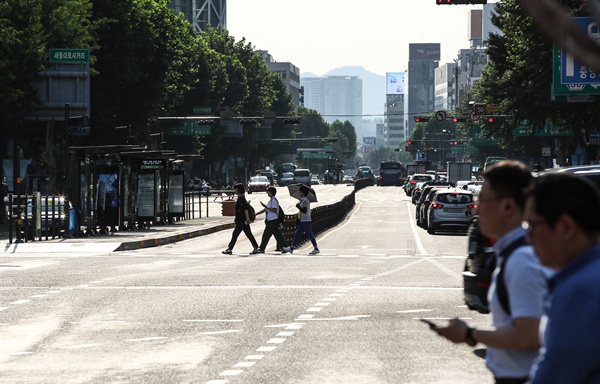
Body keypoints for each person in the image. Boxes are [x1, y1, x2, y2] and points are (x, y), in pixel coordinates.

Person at [432, 160, 551, 384]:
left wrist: (469, 334)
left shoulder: (522, 260)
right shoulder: (513, 252)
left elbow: (528, 336)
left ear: (508, 207)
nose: (476, 207)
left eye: (482, 200)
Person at [524, 173, 600, 384]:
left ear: (566, 227)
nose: (528, 239)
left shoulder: (578, 291)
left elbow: (554, 376)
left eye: (532, 227)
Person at [222, 183, 259, 256]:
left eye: (235, 189)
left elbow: (245, 210)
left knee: (235, 234)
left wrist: (247, 218)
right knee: (248, 234)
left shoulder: (241, 199)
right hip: (241, 220)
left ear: (238, 190)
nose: (234, 190)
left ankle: (230, 249)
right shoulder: (241, 198)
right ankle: (256, 247)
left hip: (242, 220)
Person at [284, 185, 320, 255]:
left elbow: (304, 210)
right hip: (303, 220)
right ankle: (291, 248)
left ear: (303, 193)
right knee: (297, 234)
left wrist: (298, 207)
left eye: (300, 192)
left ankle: (316, 248)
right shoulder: (302, 200)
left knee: (310, 234)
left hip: (306, 220)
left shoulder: (305, 200)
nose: (299, 193)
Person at [256, 186, 289, 253]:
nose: (267, 193)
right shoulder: (271, 200)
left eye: (268, 192)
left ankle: (262, 248)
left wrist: (266, 207)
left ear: (271, 192)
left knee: (266, 235)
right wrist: (257, 214)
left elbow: (274, 210)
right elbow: (266, 209)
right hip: (272, 220)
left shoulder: (274, 201)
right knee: (278, 235)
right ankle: (285, 247)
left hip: (273, 220)